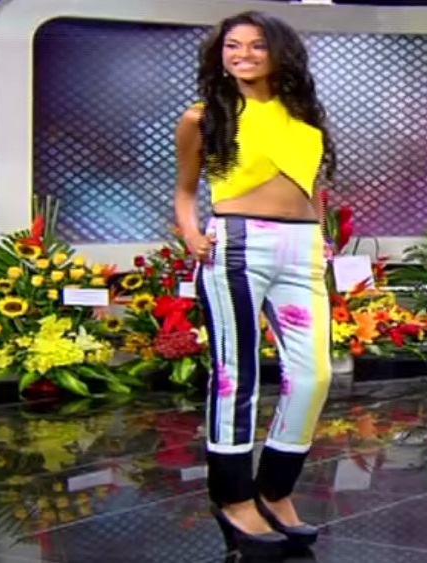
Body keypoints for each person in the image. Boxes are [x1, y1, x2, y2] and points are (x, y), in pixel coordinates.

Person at [173, 11, 337, 556]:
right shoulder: (203, 116)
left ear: (279, 52)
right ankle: (233, 497)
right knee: (234, 375)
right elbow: (185, 190)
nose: (242, 54)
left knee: (314, 375)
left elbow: (311, 187)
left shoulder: (302, 114)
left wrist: (321, 237)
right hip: (238, 243)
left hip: (302, 248)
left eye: (256, 45)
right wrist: (191, 234)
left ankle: (274, 488)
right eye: (232, 45)